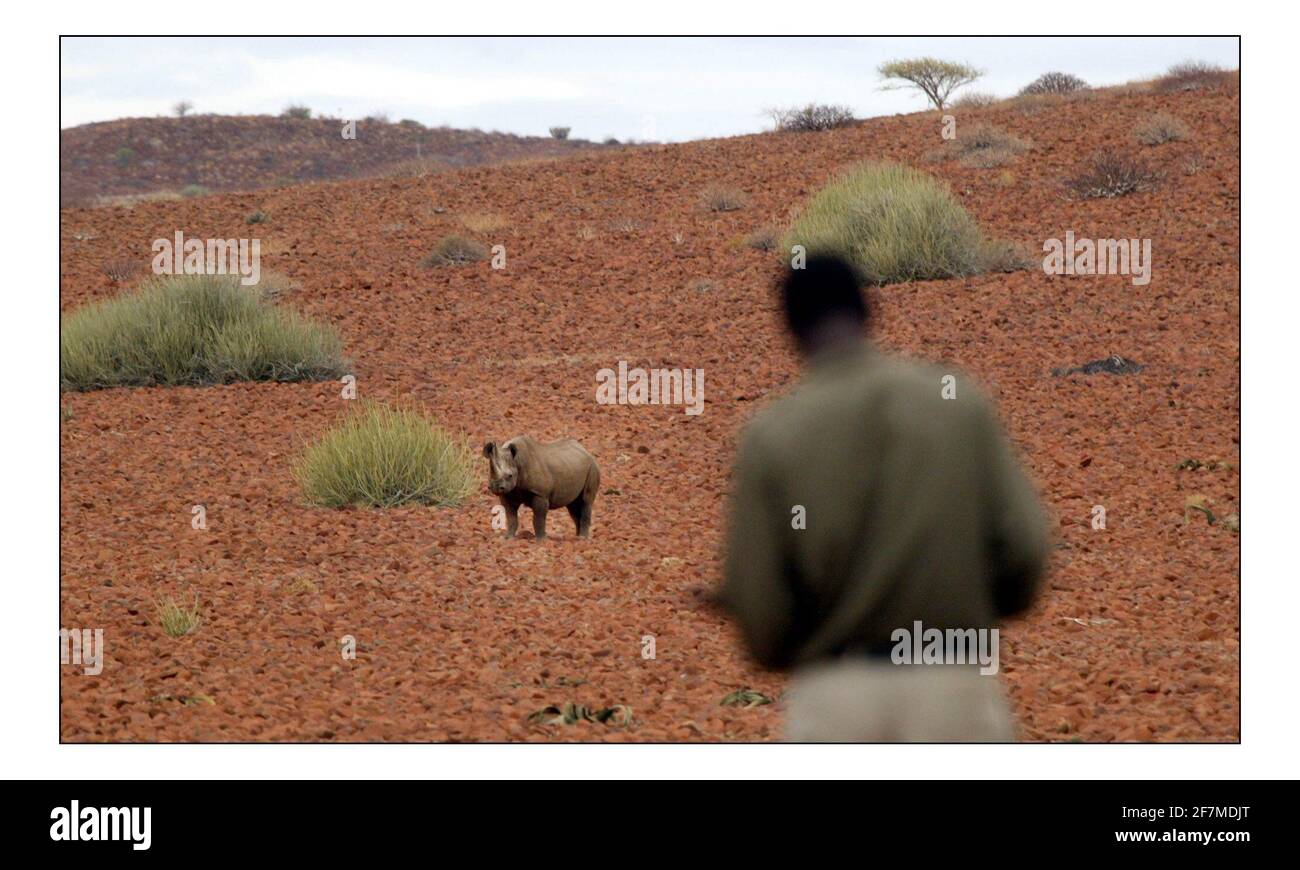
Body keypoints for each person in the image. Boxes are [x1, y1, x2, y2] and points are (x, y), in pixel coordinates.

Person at [720, 255, 1049, 741]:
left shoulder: (774, 435)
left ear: (789, 330)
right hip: (951, 684)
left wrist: (788, 644)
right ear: (868, 311)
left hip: (837, 694)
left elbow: (760, 605)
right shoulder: (957, 404)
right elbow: (1025, 552)